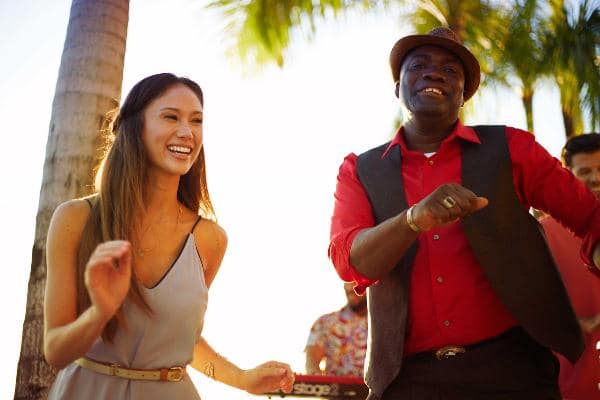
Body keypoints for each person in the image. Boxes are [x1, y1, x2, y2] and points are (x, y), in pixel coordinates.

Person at [328, 27, 600, 400]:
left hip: (513, 371)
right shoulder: (360, 170)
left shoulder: (512, 149)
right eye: (419, 65)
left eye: (450, 71)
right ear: (397, 87)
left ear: (464, 94)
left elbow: (590, 217)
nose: (434, 73)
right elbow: (349, 260)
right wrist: (414, 219)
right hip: (408, 382)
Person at [43, 73, 295, 399]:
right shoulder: (76, 218)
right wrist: (99, 313)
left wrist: (243, 379)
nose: (187, 132)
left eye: (197, 120)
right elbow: (55, 351)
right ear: (136, 128)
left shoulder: (210, 239)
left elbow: (183, 340)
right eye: (171, 117)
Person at [541, 133, 600, 399]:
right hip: (571, 383)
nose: (596, 178)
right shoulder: (543, 233)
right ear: (568, 175)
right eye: (585, 171)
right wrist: (571, 324)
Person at [305, 282, 368, 377]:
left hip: (376, 390)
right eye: (347, 279)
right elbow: (312, 358)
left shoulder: (385, 324)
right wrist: (316, 378)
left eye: (356, 279)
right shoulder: (325, 322)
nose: (351, 287)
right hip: (336, 389)